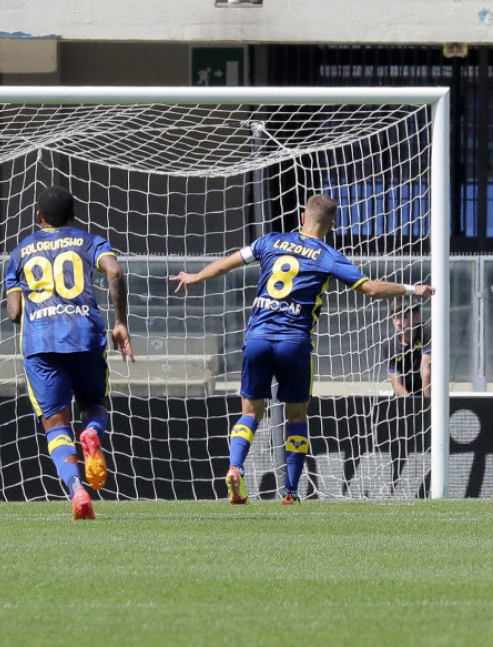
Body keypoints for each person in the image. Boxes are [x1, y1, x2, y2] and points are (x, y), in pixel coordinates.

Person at [170, 194, 435, 505]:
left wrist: (194, 276)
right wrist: (411, 289)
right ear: (332, 225)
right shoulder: (327, 255)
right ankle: (291, 492)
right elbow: (372, 289)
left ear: (301, 215)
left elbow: (228, 263)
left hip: (257, 339)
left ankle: (235, 467)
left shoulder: (270, 240)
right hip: (294, 344)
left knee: (250, 413)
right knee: (297, 416)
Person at [4, 185, 134, 520]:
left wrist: (33, 305)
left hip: (42, 345)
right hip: (85, 337)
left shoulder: (20, 252)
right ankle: (91, 434)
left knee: (56, 426)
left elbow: (14, 311)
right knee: (93, 407)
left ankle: (77, 490)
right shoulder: (89, 241)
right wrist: (120, 322)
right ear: (73, 216)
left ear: (39, 217)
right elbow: (115, 271)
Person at [387, 296, 431, 398]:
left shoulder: (427, 332)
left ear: (416, 317)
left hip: (428, 394)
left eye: (404, 317)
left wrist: (428, 404)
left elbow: (425, 370)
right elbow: (397, 384)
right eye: (395, 317)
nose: (398, 322)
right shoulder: (389, 346)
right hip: (405, 399)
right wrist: (411, 404)